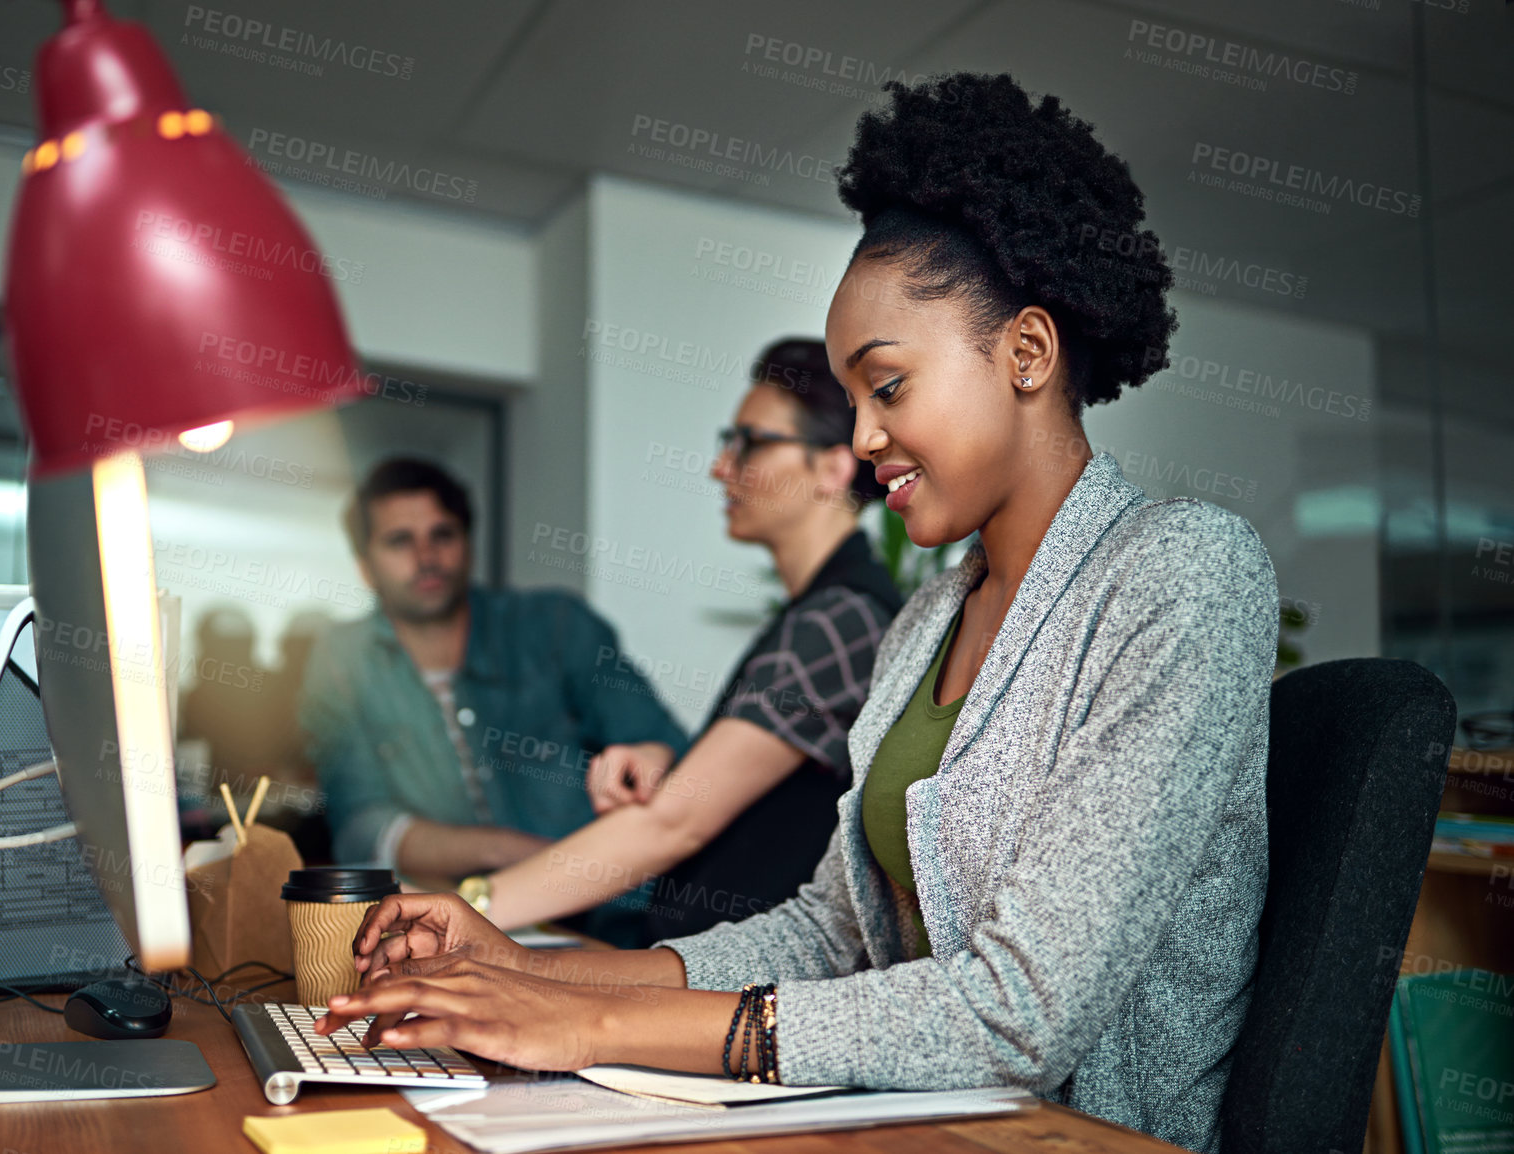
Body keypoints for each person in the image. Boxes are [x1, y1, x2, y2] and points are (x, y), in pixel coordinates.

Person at [317, 72, 1278, 1154]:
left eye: (889, 387)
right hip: (915, 1116)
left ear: (1028, 354)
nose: (863, 441)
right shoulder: (924, 623)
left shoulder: (1182, 574)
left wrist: (587, 1018)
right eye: (852, 399)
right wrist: (521, 963)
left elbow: (1020, 1010)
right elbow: (829, 929)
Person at [469, 339, 903, 943]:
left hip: (739, 990)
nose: (721, 467)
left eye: (751, 442)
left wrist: (471, 907)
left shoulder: (839, 621)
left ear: (832, 468)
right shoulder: (826, 612)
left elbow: (675, 825)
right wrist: (666, 764)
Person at [297, 458, 689, 933]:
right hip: (462, 924)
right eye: (400, 540)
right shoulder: (343, 660)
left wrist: (650, 756)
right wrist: (505, 851)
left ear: (468, 544)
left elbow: (664, 745)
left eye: (443, 534)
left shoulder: (556, 626)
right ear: (365, 566)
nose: (426, 556)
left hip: (617, 918)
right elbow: (362, 826)